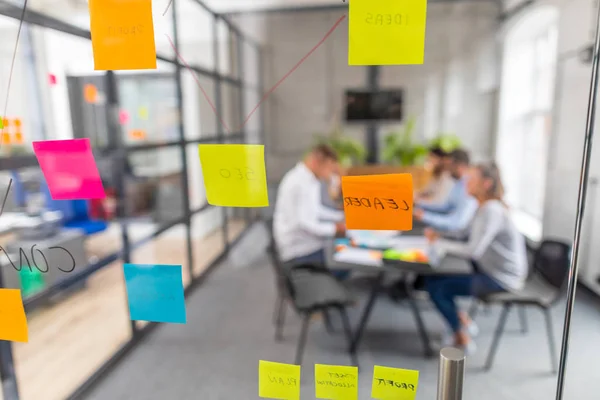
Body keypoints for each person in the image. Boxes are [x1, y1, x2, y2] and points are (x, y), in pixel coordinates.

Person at [423, 162, 528, 353]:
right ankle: (462, 321)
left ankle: (461, 338)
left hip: (500, 279)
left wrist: (440, 245)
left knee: (438, 288)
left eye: (471, 180)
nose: (465, 184)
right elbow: (465, 232)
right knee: (431, 279)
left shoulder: (491, 210)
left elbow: (473, 250)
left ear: (486, 184)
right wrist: (440, 235)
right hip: (489, 271)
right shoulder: (482, 206)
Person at [273, 144, 346, 268]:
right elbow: (304, 223)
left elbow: (316, 210)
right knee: (344, 259)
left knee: (344, 248)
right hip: (300, 252)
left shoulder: (311, 180)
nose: (330, 173)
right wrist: (335, 229)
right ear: (317, 161)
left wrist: (342, 217)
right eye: (329, 168)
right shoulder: (297, 182)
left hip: (310, 245)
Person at [414, 149, 478, 233]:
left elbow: (457, 223)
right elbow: (446, 207)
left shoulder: (469, 188)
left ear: (460, 166)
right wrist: (420, 204)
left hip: (456, 234)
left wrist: (424, 216)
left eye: (450, 165)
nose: (447, 169)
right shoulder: (458, 184)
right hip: (448, 229)